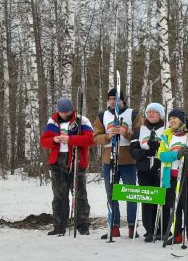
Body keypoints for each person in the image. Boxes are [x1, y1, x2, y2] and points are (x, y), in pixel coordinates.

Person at [40, 97, 95, 236]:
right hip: (57, 162)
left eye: (67, 111)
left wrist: (71, 139)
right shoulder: (52, 121)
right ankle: (59, 226)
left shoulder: (82, 120)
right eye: (62, 112)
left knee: (80, 195)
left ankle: (83, 225)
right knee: (59, 195)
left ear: (72, 109)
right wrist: (54, 139)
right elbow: (44, 142)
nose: (64, 114)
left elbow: (90, 139)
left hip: (76, 161)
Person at [93, 89, 143, 239]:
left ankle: (132, 226)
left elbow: (140, 136)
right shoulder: (103, 116)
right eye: (111, 99)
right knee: (111, 193)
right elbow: (95, 138)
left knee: (130, 193)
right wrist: (108, 136)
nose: (114, 101)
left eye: (117, 99)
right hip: (109, 160)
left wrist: (125, 132)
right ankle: (114, 226)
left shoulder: (133, 114)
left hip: (128, 160)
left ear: (123, 100)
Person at [158, 108, 188, 245]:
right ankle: (177, 234)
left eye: (175, 118)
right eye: (170, 119)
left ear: (182, 120)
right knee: (173, 206)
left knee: (187, 205)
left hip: (186, 176)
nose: (172, 121)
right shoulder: (166, 135)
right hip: (171, 176)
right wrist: (176, 155)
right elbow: (161, 155)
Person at [130, 103, 167, 242]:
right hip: (144, 168)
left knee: (160, 198)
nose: (151, 114)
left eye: (155, 112)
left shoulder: (166, 129)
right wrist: (145, 152)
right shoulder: (140, 130)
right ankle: (149, 230)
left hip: (160, 168)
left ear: (160, 115)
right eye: (149, 111)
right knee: (147, 199)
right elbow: (132, 150)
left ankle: (161, 229)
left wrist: (157, 148)